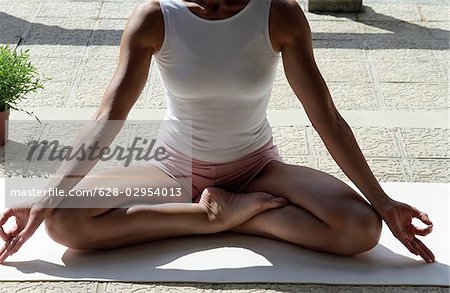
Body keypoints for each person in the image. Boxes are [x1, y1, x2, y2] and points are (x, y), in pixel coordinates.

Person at [0, 0, 435, 263]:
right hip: (172, 172)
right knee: (64, 224)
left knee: (361, 228)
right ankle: (216, 217)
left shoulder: (278, 13)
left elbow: (324, 113)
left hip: (257, 168)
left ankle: (241, 209)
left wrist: (383, 202)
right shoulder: (156, 16)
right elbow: (108, 115)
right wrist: (45, 199)